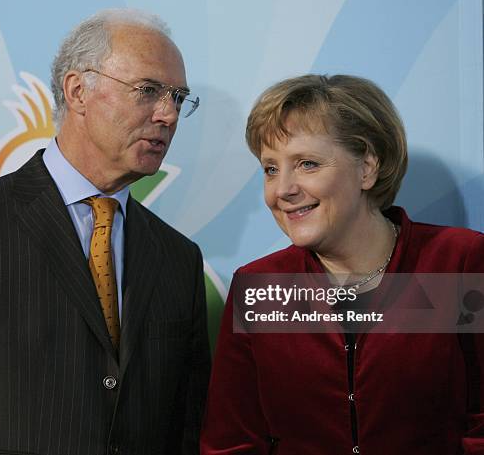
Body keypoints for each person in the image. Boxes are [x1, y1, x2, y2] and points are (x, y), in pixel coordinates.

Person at [0, 9, 210, 455]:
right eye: (148, 91)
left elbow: (187, 429)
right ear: (78, 90)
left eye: (178, 97)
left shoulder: (179, 257)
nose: (169, 115)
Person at [200, 74, 484, 454]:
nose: (282, 189)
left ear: (367, 167)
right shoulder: (260, 285)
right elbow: (232, 442)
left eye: (307, 164)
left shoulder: (457, 261)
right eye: (270, 168)